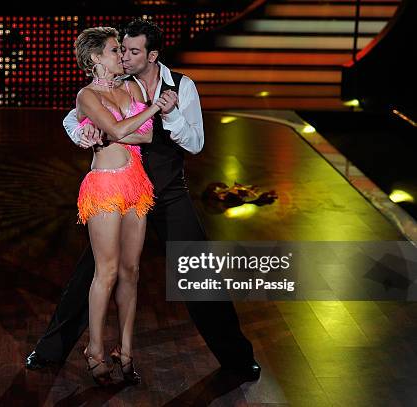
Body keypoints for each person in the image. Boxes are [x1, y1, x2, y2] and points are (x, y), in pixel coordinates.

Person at [26, 18, 261, 383]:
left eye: (133, 51)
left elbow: (195, 143)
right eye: (121, 48)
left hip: (167, 192)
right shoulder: (116, 84)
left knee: (198, 271)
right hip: (120, 192)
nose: (126, 56)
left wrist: (170, 114)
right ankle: (51, 351)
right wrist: (85, 134)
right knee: (92, 273)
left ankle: (237, 359)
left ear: (152, 55)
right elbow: (73, 119)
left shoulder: (182, 86)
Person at [67, 26, 164, 386]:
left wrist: (118, 130)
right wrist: (144, 113)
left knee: (131, 271)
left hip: (136, 183)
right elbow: (122, 130)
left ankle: (125, 352)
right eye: (113, 50)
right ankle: (95, 348)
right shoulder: (86, 95)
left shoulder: (130, 87)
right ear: (95, 58)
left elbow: (148, 134)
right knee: (105, 272)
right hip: (105, 184)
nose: (121, 56)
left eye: (122, 50)